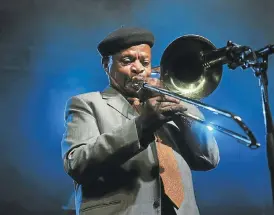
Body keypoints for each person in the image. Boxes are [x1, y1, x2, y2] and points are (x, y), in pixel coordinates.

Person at [61, 26, 220, 215]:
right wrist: (141, 126)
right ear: (106, 65)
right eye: (127, 61)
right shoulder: (86, 104)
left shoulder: (167, 108)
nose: (138, 68)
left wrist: (179, 104)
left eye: (145, 62)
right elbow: (77, 164)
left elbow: (209, 159)